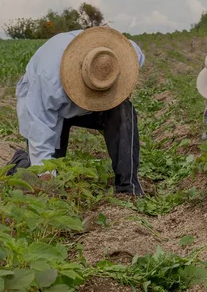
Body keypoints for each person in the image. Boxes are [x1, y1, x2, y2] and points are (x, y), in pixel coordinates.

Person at [8, 26, 146, 196]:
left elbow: (136, 56)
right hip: (52, 110)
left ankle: (128, 188)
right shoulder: (49, 82)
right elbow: (40, 132)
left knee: (123, 110)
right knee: (47, 171)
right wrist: (46, 176)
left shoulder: (118, 54)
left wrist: (123, 87)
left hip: (95, 102)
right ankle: (20, 162)